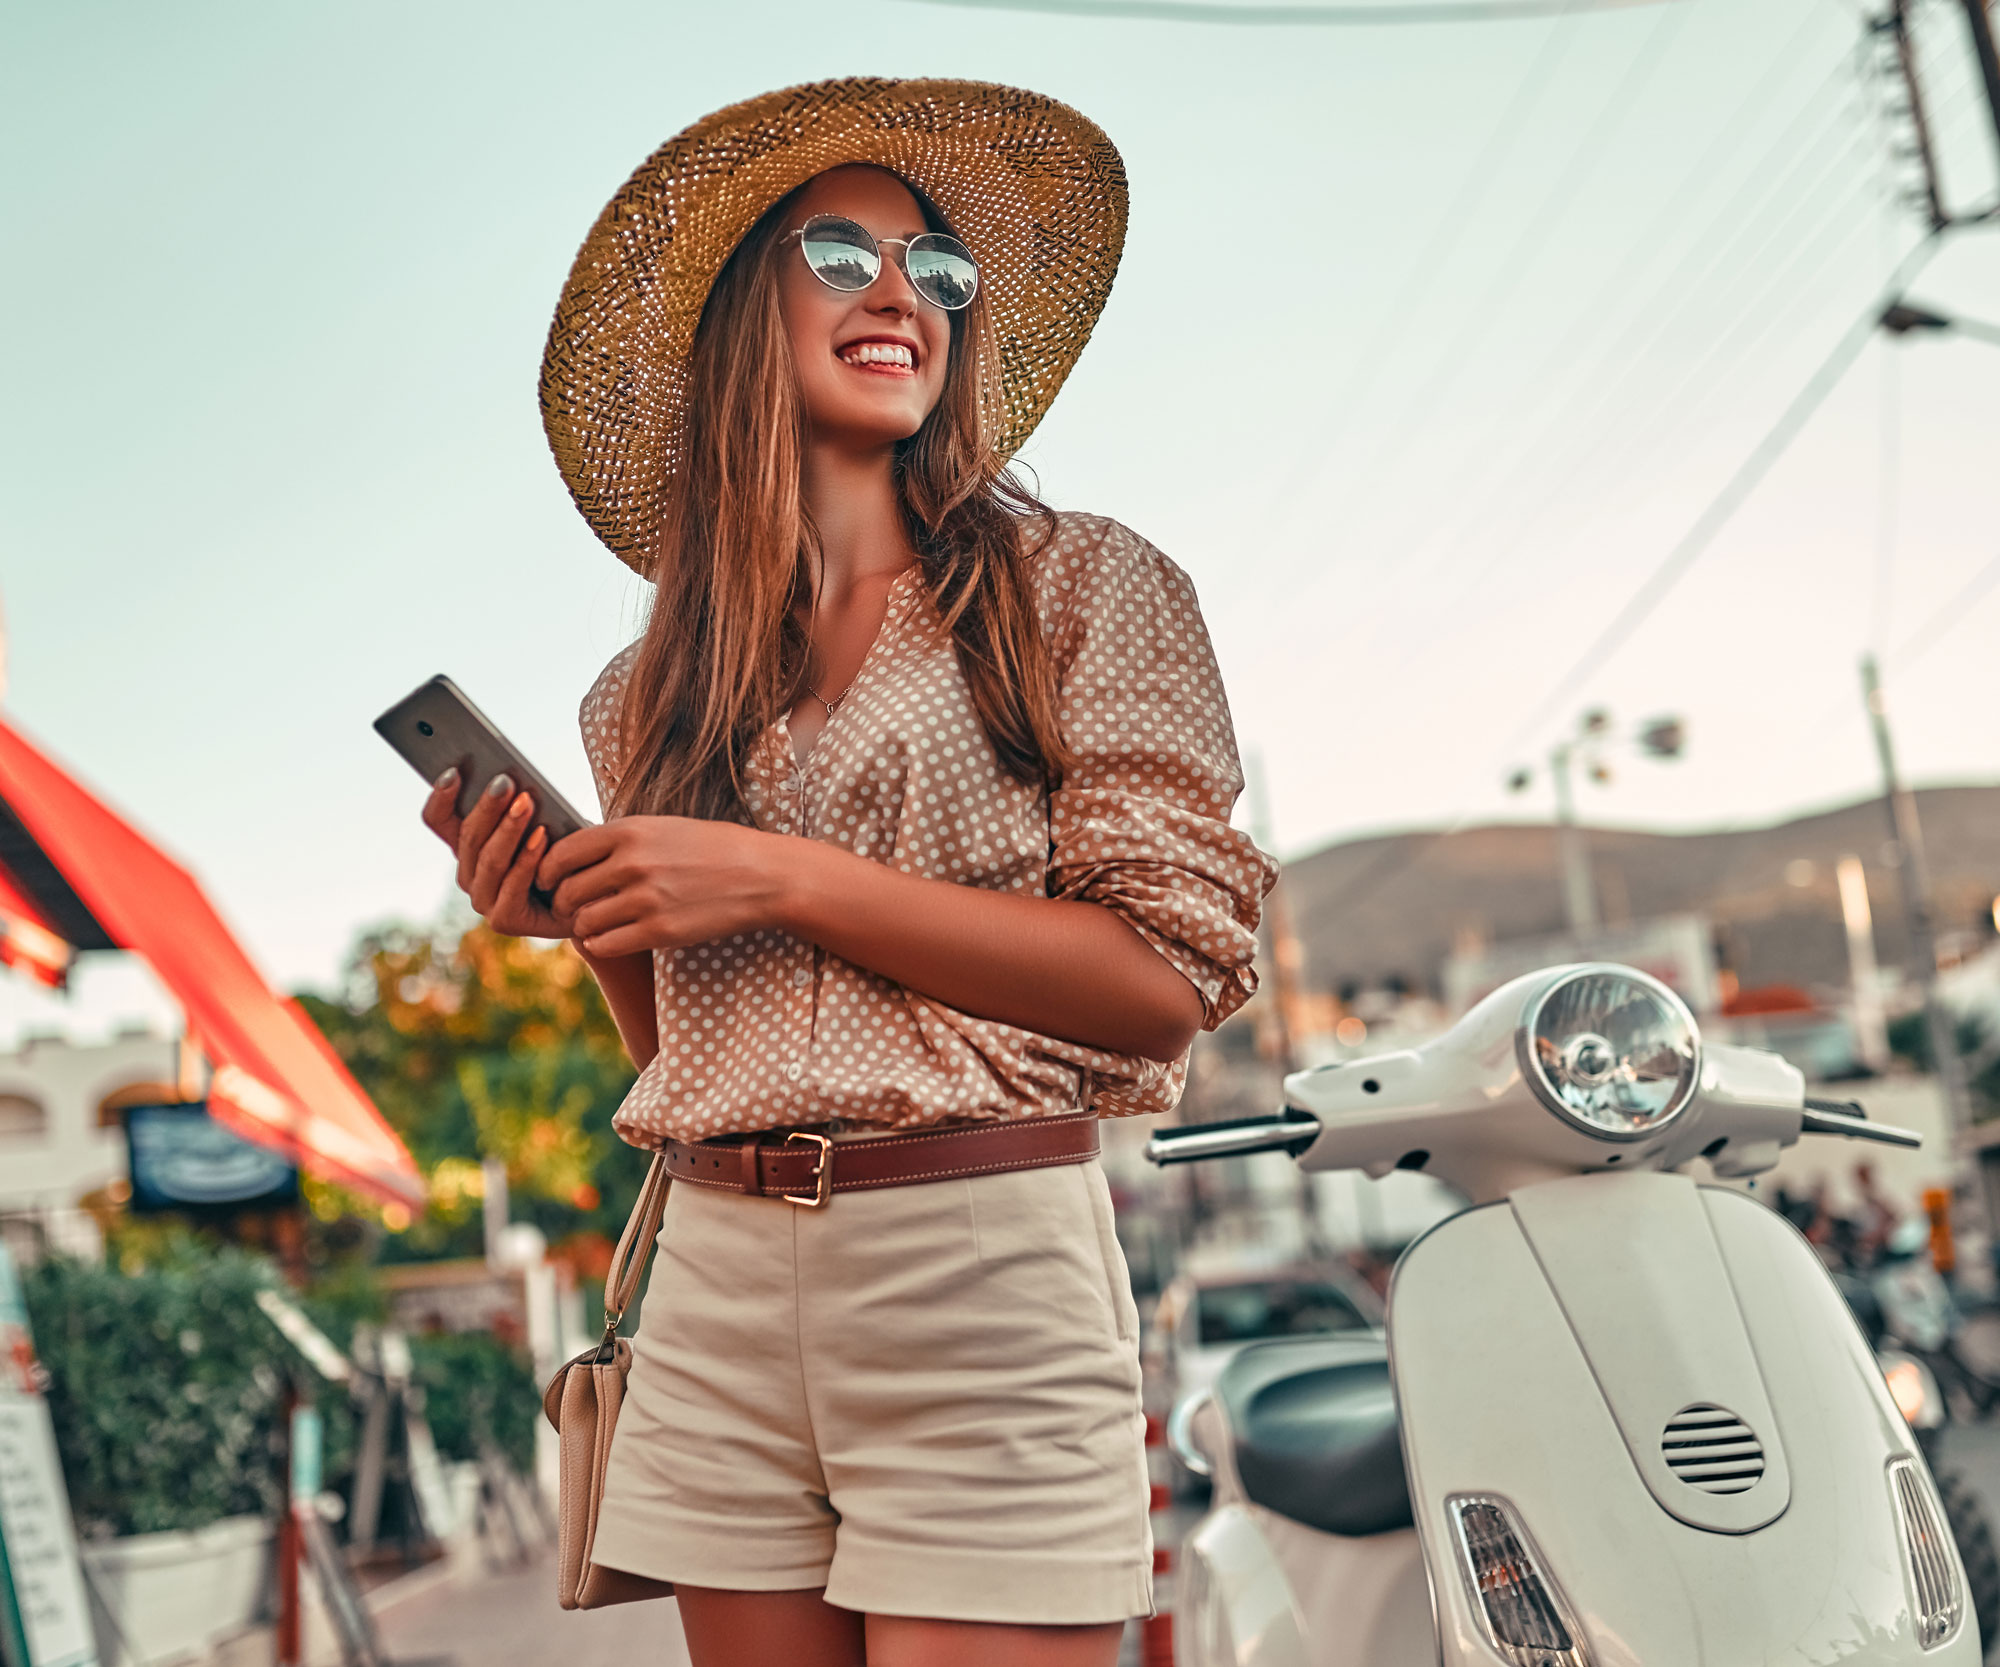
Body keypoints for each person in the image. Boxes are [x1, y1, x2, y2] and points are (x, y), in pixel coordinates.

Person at [420, 78, 1276, 1667]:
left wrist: (781, 879)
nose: (903, 293)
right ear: (745, 309)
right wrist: (585, 927)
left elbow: (1158, 992)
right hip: (718, 1275)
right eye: (841, 252)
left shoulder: (1077, 585)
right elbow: (700, 1062)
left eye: (938, 271)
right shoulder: (646, 693)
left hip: (978, 1265)